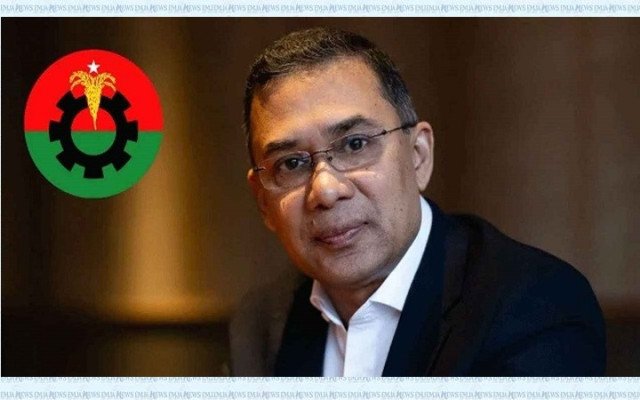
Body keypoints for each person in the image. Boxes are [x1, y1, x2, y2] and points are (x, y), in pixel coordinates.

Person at [230, 27, 606, 377]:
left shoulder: (535, 307)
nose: (326, 190)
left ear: (418, 156)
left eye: (355, 144)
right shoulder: (260, 326)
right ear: (263, 201)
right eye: (291, 164)